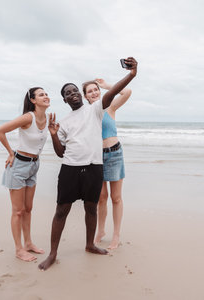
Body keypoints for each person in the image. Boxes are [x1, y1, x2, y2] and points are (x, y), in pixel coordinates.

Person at [38, 57, 138, 271]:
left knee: (91, 208)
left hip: (94, 167)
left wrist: (131, 74)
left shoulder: (95, 109)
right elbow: (60, 152)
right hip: (70, 169)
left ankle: (90, 244)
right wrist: (54, 134)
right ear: (65, 100)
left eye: (74, 90)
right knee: (61, 211)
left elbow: (114, 93)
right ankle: (53, 253)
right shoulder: (63, 122)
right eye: (68, 93)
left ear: (80, 95)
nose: (72, 94)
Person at [0, 87, 50, 262]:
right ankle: (19, 249)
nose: (46, 96)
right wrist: (11, 153)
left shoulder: (47, 118)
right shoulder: (28, 117)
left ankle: (28, 243)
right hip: (19, 166)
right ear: (33, 100)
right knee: (18, 211)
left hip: (34, 166)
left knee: (28, 209)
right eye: (41, 94)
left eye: (46, 93)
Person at [82, 78, 131, 249]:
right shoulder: (86, 113)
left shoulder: (109, 107)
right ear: (86, 97)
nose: (94, 93)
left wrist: (106, 86)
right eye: (90, 91)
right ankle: (100, 231)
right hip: (96, 157)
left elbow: (127, 92)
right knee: (101, 198)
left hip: (115, 154)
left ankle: (116, 235)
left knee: (116, 197)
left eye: (96, 89)